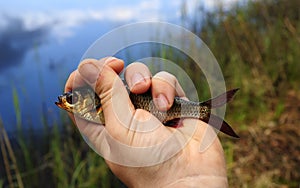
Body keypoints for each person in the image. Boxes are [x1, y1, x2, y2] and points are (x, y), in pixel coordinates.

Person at [64, 57, 228, 187]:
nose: (68, 101)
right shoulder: (100, 112)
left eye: (73, 99)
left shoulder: (102, 103)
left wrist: (187, 179)